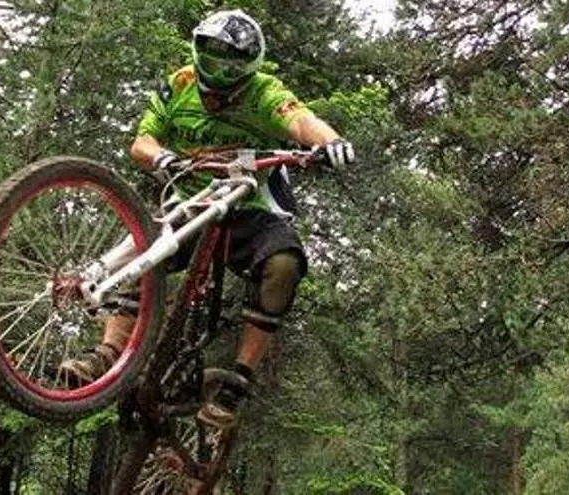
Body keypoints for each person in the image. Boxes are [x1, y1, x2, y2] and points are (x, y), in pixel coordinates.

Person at [59, 9, 355, 428]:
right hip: (192, 202)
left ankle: (237, 382)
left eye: (229, 66)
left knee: (283, 265)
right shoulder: (179, 84)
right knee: (143, 257)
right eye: (210, 60)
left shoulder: (264, 92)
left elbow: (300, 120)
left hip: (250, 206)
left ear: (247, 69)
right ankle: (105, 357)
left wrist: (331, 141)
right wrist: (161, 156)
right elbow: (142, 142)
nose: (217, 74)